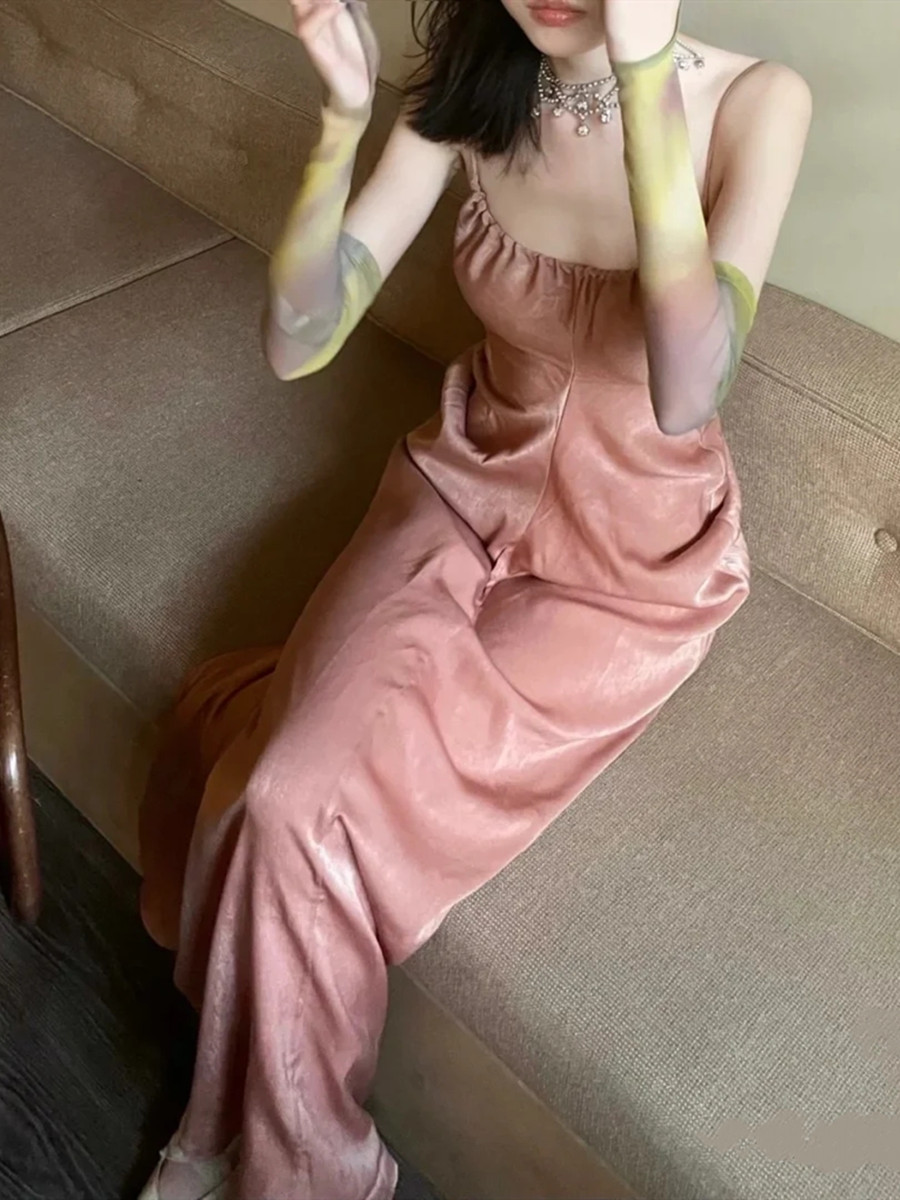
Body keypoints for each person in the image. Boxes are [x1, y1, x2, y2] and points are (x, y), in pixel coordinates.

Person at [137, 0, 812, 1196]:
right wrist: (342, 119)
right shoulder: (471, 83)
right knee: (279, 790)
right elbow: (298, 342)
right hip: (459, 490)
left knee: (302, 806)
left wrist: (642, 74)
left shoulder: (760, 104)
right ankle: (296, 1154)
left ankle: (246, 1152)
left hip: (628, 571)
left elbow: (686, 390)